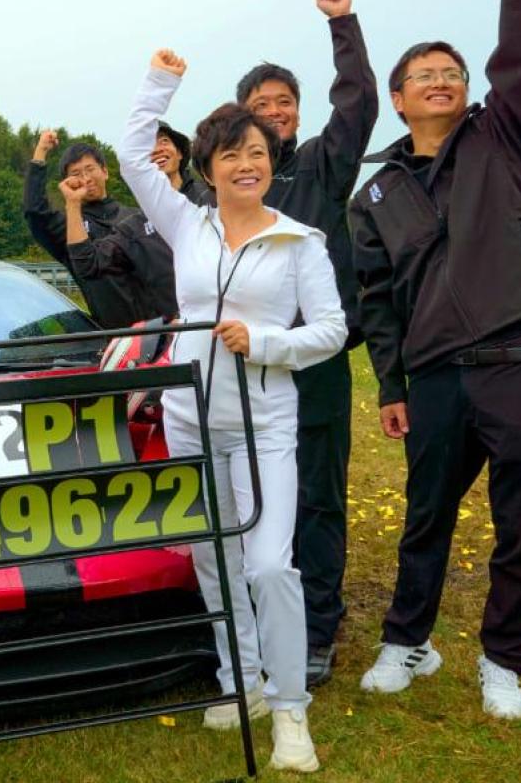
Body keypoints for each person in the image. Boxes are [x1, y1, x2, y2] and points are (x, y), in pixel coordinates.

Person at [350, 0, 521, 722]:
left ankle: (502, 663)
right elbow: (377, 300)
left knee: (519, 525)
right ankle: (407, 640)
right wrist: (393, 384)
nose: (442, 81)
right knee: (425, 518)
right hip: (438, 374)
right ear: (399, 98)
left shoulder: (506, 136)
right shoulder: (374, 195)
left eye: (452, 73)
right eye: (424, 76)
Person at [119, 50, 345, 774]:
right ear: (208, 166)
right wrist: (161, 83)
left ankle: (289, 709)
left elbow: (333, 330)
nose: (247, 163)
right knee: (213, 558)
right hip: (189, 418)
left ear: (271, 161)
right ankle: (240, 681)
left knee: (272, 565)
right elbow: (130, 152)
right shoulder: (187, 224)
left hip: (266, 423)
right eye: (231, 154)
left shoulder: (299, 241)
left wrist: (268, 341)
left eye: (258, 152)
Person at [234, 0, 379, 686]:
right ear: (241, 122)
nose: (275, 113)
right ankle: (261, 623)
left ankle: (319, 628)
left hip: (316, 364)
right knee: (256, 497)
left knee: (319, 499)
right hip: (247, 368)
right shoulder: (230, 187)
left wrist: (342, 25)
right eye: (260, 106)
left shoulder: (323, 165)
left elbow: (357, 106)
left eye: (283, 102)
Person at [25, 129, 176, 327]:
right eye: (76, 174)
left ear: (105, 171)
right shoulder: (70, 229)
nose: (86, 178)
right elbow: (34, 212)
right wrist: (40, 153)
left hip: (169, 330)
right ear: (66, 183)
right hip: (118, 341)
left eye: (90, 169)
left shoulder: (138, 217)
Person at [63, 121, 197, 321]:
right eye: (147, 146)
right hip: (175, 337)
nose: (157, 149)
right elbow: (88, 264)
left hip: (231, 330)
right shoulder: (135, 225)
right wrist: (73, 204)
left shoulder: (212, 201)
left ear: (179, 152)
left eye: (164, 141)